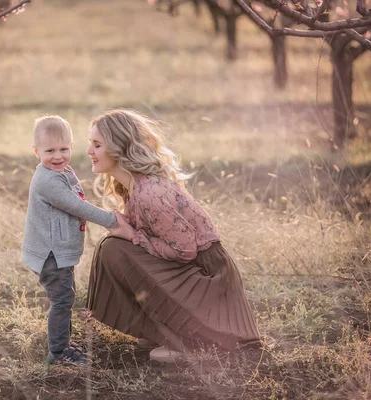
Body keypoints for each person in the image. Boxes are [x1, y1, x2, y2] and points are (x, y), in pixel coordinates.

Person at [84, 109, 262, 363]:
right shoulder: (132, 188)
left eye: (97, 145)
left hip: (209, 278)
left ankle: (187, 342)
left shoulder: (149, 193)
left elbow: (185, 250)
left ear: (119, 148)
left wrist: (133, 235)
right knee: (112, 247)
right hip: (192, 271)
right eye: (90, 144)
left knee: (115, 249)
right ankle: (162, 331)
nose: (89, 151)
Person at [21, 115, 118, 366]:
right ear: (36, 151)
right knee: (63, 299)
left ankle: (62, 341)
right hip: (49, 254)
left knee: (64, 296)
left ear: (71, 147)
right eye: (49, 150)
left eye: (64, 149)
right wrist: (112, 220)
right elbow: (77, 206)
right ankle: (58, 352)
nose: (58, 156)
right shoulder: (47, 180)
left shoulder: (62, 171)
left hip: (57, 251)